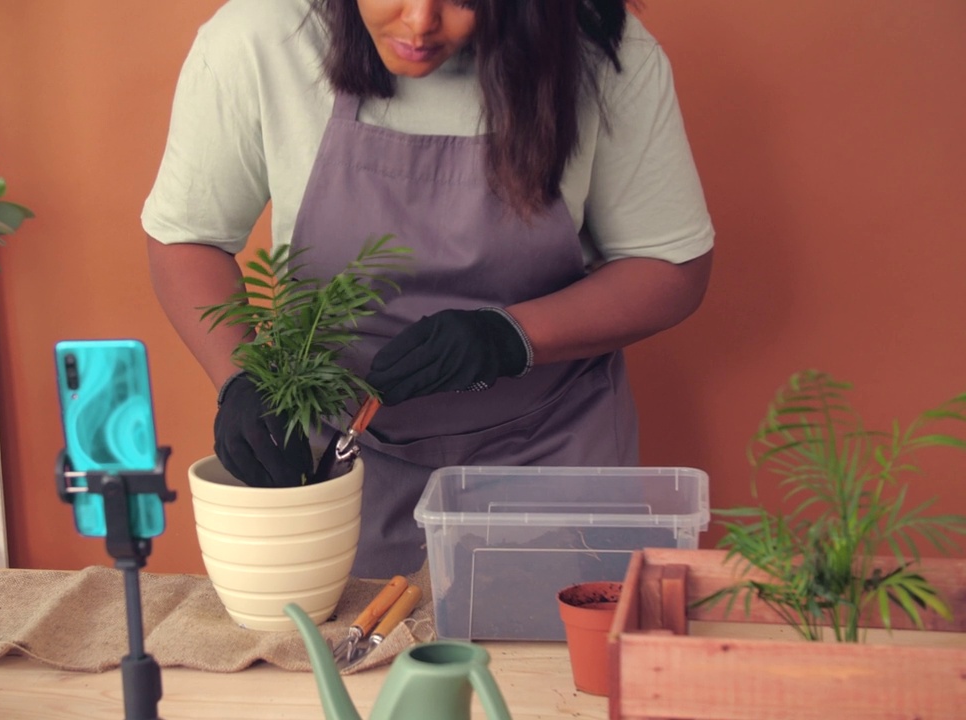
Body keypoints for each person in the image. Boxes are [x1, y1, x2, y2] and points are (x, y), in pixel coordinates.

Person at [144, 0, 714, 578]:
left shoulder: (598, 51)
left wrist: (509, 337)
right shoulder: (261, 38)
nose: (419, 22)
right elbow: (188, 239)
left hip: (550, 454)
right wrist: (241, 376)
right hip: (337, 468)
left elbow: (669, 267)